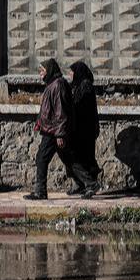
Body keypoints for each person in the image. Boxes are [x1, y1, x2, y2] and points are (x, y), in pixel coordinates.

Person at [27, 58, 96, 201]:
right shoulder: (53, 84)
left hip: (54, 131)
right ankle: (91, 183)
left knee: (41, 158)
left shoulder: (57, 85)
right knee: (69, 158)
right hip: (52, 129)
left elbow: (60, 112)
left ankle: (40, 191)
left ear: (50, 70)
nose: (41, 74)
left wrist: (60, 134)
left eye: (43, 71)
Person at [66, 61, 101, 194]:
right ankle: (80, 183)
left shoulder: (85, 86)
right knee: (77, 157)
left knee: (86, 157)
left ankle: (90, 184)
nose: (70, 74)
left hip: (85, 129)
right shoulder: (77, 85)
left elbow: (82, 107)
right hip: (79, 128)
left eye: (72, 71)